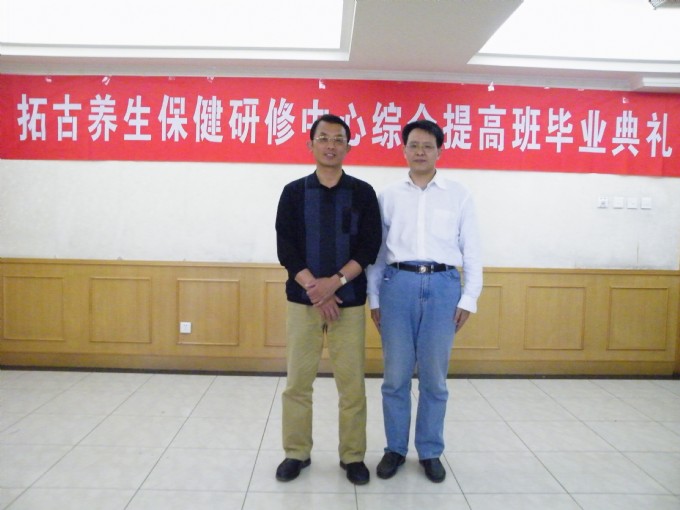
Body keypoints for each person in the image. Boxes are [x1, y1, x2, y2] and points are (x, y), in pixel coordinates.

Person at [366, 119, 482, 483]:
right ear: (403, 149)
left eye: (427, 146)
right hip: (396, 285)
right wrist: (374, 297)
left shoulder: (458, 194)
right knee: (395, 377)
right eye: (413, 145)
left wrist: (469, 297)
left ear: (439, 152)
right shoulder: (388, 196)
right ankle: (395, 449)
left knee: (434, 379)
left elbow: (472, 249)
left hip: (444, 286)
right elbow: (377, 253)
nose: (420, 152)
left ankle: (430, 451)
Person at [274, 113, 382, 485]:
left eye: (338, 139)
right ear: (311, 144)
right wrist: (316, 290)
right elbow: (286, 248)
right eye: (324, 138)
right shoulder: (293, 192)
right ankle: (296, 453)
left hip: (348, 303)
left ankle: (353, 457)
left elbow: (369, 246)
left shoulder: (363, 193)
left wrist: (333, 283)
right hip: (302, 301)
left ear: (348, 147)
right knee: (297, 383)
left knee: (351, 385)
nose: (331, 145)